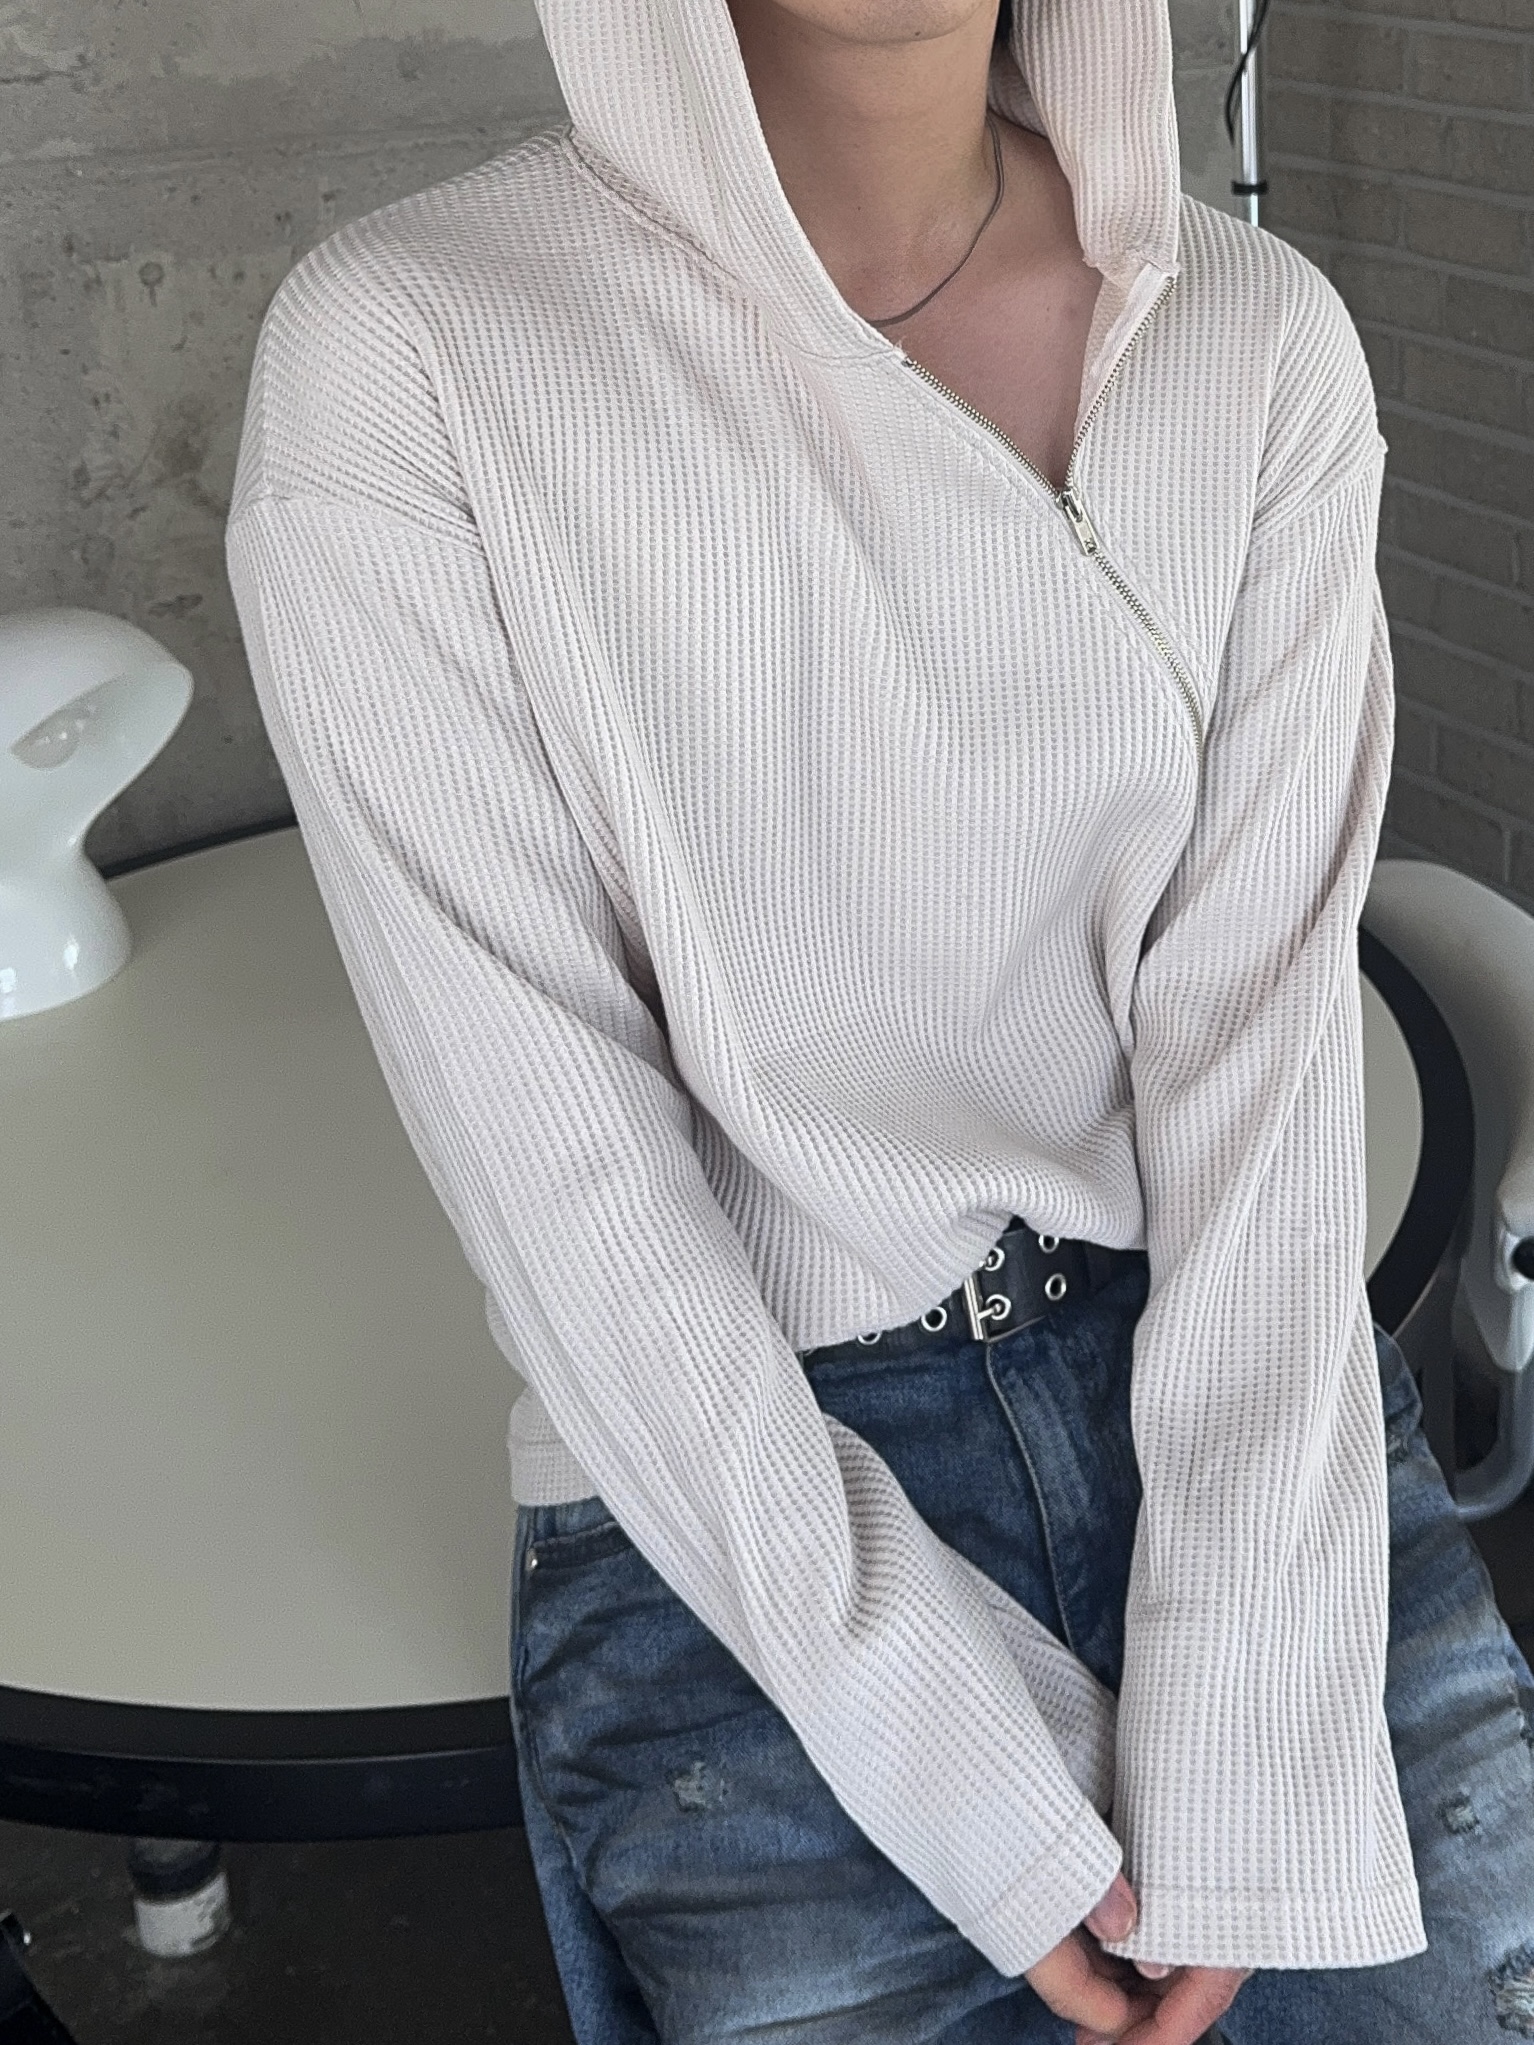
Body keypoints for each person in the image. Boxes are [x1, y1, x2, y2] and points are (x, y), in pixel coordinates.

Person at [223, 0, 1534, 2037]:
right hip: (742, 1477)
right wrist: (944, 1745)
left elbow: (1260, 1074)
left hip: (1245, 1389)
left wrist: (1246, 1711)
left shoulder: (1249, 338)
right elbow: (565, 1176)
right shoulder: (409, 353)